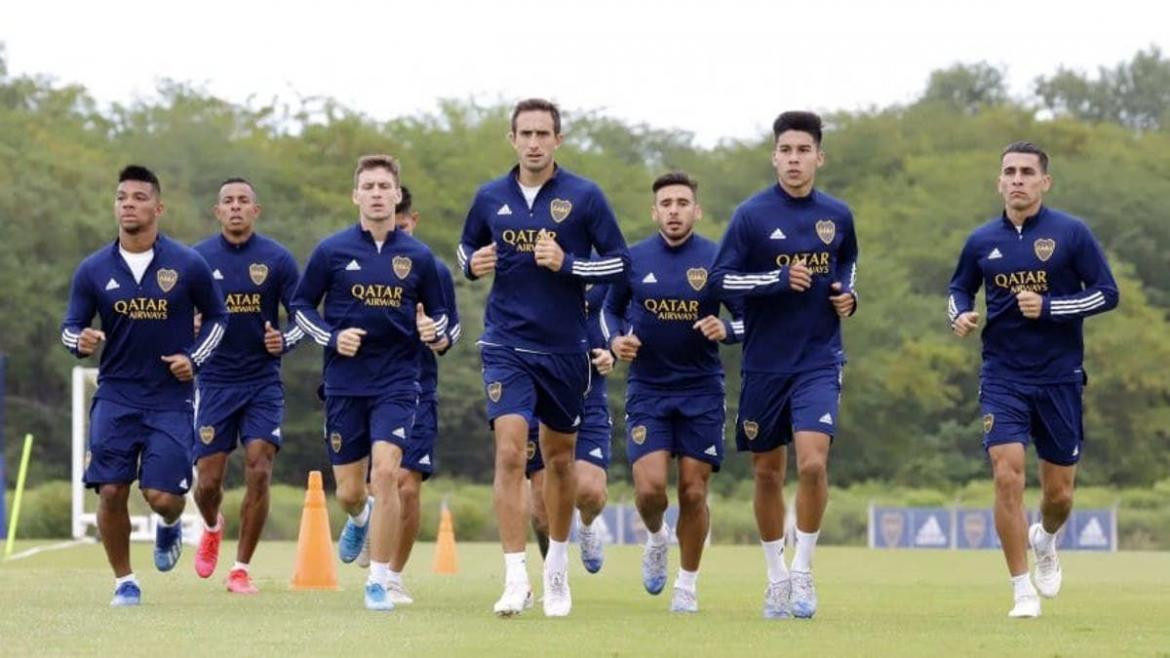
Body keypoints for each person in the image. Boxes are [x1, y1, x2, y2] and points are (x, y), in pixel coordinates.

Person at [457, 98, 629, 617]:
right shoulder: (490, 196)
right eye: (525, 133)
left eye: (542, 133)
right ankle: (515, 579)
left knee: (558, 462)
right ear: (512, 139)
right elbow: (466, 249)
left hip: (565, 349)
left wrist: (569, 263)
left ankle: (556, 569)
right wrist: (473, 263)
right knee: (510, 452)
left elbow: (621, 263)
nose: (533, 142)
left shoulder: (585, 196)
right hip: (506, 343)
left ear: (558, 139)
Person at [947, 141, 1119, 618]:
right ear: (999, 181)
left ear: (1045, 181)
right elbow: (959, 286)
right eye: (1009, 172)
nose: (1017, 179)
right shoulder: (981, 240)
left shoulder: (1072, 234)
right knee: (1006, 475)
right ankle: (1021, 589)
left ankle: (1045, 538)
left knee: (1059, 494)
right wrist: (959, 315)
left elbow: (1108, 293)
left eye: (1027, 172)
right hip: (1003, 375)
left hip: (1060, 376)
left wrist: (1051, 307)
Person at [710, 111, 859, 620]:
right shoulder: (751, 216)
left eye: (803, 150)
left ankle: (803, 569)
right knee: (767, 473)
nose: (794, 159)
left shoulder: (837, 215)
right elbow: (720, 282)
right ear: (774, 156)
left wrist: (848, 296)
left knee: (814, 462)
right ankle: (775, 576)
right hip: (764, 364)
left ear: (819, 156)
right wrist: (773, 282)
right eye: (786, 150)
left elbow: (847, 265)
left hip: (818, 358)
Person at [60, 165, 228, 606]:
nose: (128, 204)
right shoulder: (93, 268)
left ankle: (171, 526)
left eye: (138, 197)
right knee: (111, 488)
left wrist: (194, 359)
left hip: (170, 399)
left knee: (164, 498)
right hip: (116, 393)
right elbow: (71, 327)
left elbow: (218, 318)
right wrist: (81, 340)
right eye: (121, 197)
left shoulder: (188, 263)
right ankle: (125, 583)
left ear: (158, 207)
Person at [292, 155, 449, 611]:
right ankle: (358, 518)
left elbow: (440, 316)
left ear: (397, 195)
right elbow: (301, 307)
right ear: (355, 195)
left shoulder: (419, 257)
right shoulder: (332, 251)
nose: (377, 193)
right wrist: (332, 336)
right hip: (344, 383)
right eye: (369, 186)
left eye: (385, 186)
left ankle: (378, 581)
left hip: (399, 382)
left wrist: (432, 331)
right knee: (349, 491)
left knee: (387, 475)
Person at [604, 172, 743, 613]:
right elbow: (608, 312)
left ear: (696, 210)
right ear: (655, 211)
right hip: (648, 389)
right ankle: (657, 537)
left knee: (694, 492)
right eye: (666, 203)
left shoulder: (718, 259)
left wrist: (725, 328)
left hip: (701, 389)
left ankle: (687, 585)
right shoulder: (634, 258)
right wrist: (615, 340)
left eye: (683, 202)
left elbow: (748, 318)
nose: (674, 210)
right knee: (649, 492)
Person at [190, 177, 303, 593]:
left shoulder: (277, 259)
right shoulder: (196, 260)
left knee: (259, 467)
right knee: (208, 483)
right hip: (215, 381)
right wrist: (191, 327)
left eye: (243, 201)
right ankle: (211, 524)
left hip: (261, 381)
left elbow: (303, 316)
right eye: (227, 201)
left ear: (256, 210)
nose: (235, 207)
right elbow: (175, 317)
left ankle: (239, 569)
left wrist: (283, 340)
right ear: (217, 211)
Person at [354, 186, 462, 605]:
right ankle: (364, 521)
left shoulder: (431, 268)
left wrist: (435, 336)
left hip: (416, 386)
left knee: (406, 483)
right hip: (363, 386)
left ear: (411, 221)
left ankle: (392, 577)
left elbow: (452, 328)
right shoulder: (356, 262)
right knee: (365, 484)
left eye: (400, 224)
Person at [526, 282, 615, 573]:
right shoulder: (534, 261)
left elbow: (625, 315)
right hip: (540, 394)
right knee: (541, 511)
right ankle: (554, 573)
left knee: (589, 493)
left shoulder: (607, 264)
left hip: (587, 397)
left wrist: (612, 349)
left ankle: (587, 525)